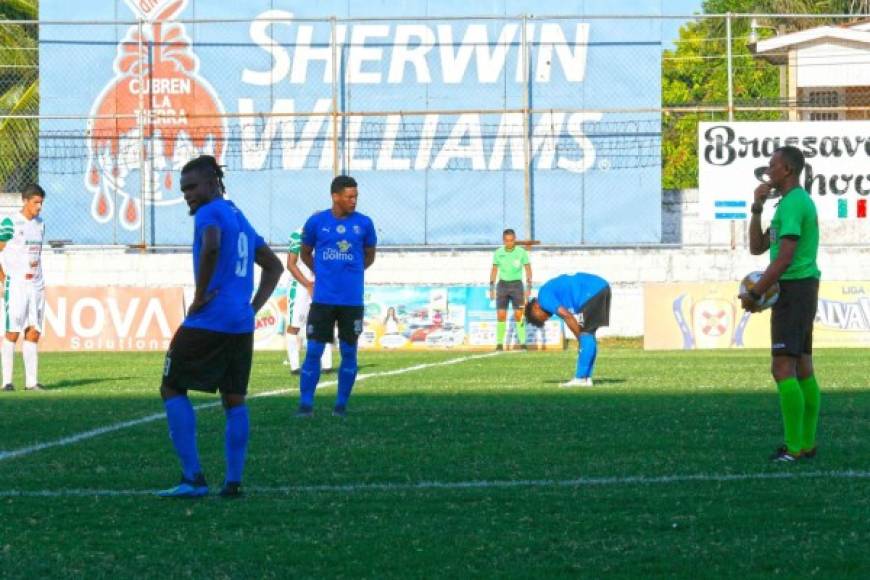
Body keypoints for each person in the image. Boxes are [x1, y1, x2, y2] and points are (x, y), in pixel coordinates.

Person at [157, 155, 283, 498]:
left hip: (209, 318)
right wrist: (252, 309)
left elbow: (211, 244)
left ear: (213, 182)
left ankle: (193, 479)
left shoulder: (209, 213)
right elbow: (274, 267)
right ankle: (233, 482)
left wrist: (199, 297)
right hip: (240, 324)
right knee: (234, 398)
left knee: (171, 387)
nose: (188, 195)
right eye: (184, 189)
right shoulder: (239, 217)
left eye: (193, 187)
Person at [738, 145, 821, 463]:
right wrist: (756, 208)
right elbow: (758, 248)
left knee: (783, 367)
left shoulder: (795, 204)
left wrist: (757, 292)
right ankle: (806, 444)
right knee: (802, 366)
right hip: (800, 289)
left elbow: (785, 258)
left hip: (794, 290)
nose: (767, 170)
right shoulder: (786, 204)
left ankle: (794, 447)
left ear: (787, 169)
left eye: (772, 165)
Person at [297, 175, 377, 418]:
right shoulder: (316, 222)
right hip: (323, 299)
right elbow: (305, 253)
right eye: (349, 197)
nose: (354, 201)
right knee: (313, 351)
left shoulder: (364, 223)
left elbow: (369, 255)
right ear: (335, 196)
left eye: (356, 197)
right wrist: (323, 273)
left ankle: (341, 405)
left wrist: (351, 273)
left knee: (349, 352)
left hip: (352, 301)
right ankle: (305, 405)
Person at [525, 272, 611, 387]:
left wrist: (580, 340)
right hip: (600, 287)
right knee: (588, 334)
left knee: (585, 336)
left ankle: (580, 378)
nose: (546, 318)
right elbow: (567, 316)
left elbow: (567, 316)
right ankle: (586, 378)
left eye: (540, 318)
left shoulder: (543, 298)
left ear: (535, 307)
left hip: (590, 292)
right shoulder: (547, 295)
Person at [0, 184, 47, 392]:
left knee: (34, 331)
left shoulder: (41, 224)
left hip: (36, 284)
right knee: (12, 331)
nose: (39, 207)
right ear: (25, 201)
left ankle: (31, 382)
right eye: (36, 202)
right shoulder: (10, 222)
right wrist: (2, 279)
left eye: (41, 203)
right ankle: (7, 382)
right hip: (16, 283)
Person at [285, 227, 333, 375]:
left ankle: (327, 365)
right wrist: (307, 284)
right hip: (299, 286)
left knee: (324, 323)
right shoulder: (298, 235)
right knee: (294, 326)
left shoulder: (328, 236)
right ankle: (295, 366)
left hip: (320, 285)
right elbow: (290, 264)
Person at [490, 229, 532, 351]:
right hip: (502, 286)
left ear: (515, 239)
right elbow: (494, 270)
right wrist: (492, 288)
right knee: (501, 315)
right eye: (507, 241)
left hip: (517, 286)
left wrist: (528, 287)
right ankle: (499, 344)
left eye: (512, 240)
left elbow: (528, 269)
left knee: (519, 315)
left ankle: (523, 343)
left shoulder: (521, 252)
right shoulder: (498, 253)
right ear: (503, 240)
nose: (509, 243)